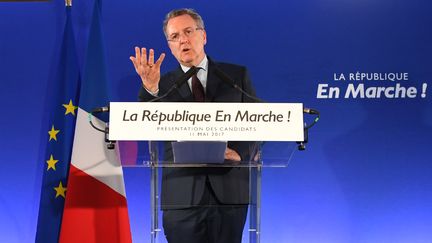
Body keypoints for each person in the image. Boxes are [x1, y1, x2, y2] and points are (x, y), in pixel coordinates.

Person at [130, 8, 256, 243]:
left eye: (188, 32)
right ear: (169, 45)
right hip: (181, 196)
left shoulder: (235, 76)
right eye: (175, 37)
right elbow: (144, 121)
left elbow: (259, 122)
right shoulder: (161, 83)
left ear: (204, 36)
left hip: (228, 194)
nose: (183, 40)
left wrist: (240, 151)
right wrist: (150, 89)